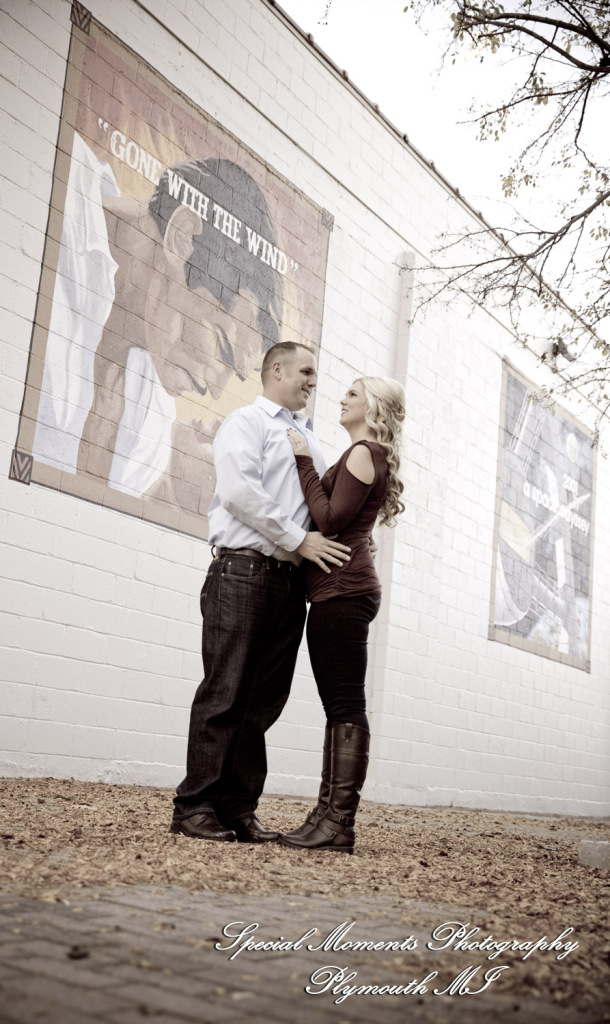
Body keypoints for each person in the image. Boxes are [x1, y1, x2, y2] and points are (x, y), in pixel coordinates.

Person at [33, 134, 282, 516]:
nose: (214, 390)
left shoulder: (153, 418)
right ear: (182, 238)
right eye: (223, 345)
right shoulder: (44, 185)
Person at [170, 342, 352, 842]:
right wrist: (299, 539)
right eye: (306, 371)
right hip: (242, 572)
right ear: (276, 369)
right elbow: (239, 492)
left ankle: (237, 809)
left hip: (290, 583)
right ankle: (194, 807)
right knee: (225, 692)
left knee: (264, 700)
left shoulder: (309, 439)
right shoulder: (246, 423)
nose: (314, 380)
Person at [278, 376, 406, 854]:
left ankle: (338, 823)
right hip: (342, 591)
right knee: (340, 707)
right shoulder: (365, 454)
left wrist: (303, 461)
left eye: (353, 393)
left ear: (373, 405)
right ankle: (326, 815)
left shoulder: (362, 453)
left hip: (344, 592)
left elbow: (329, 519)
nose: (342, 398)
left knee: (346, 706)